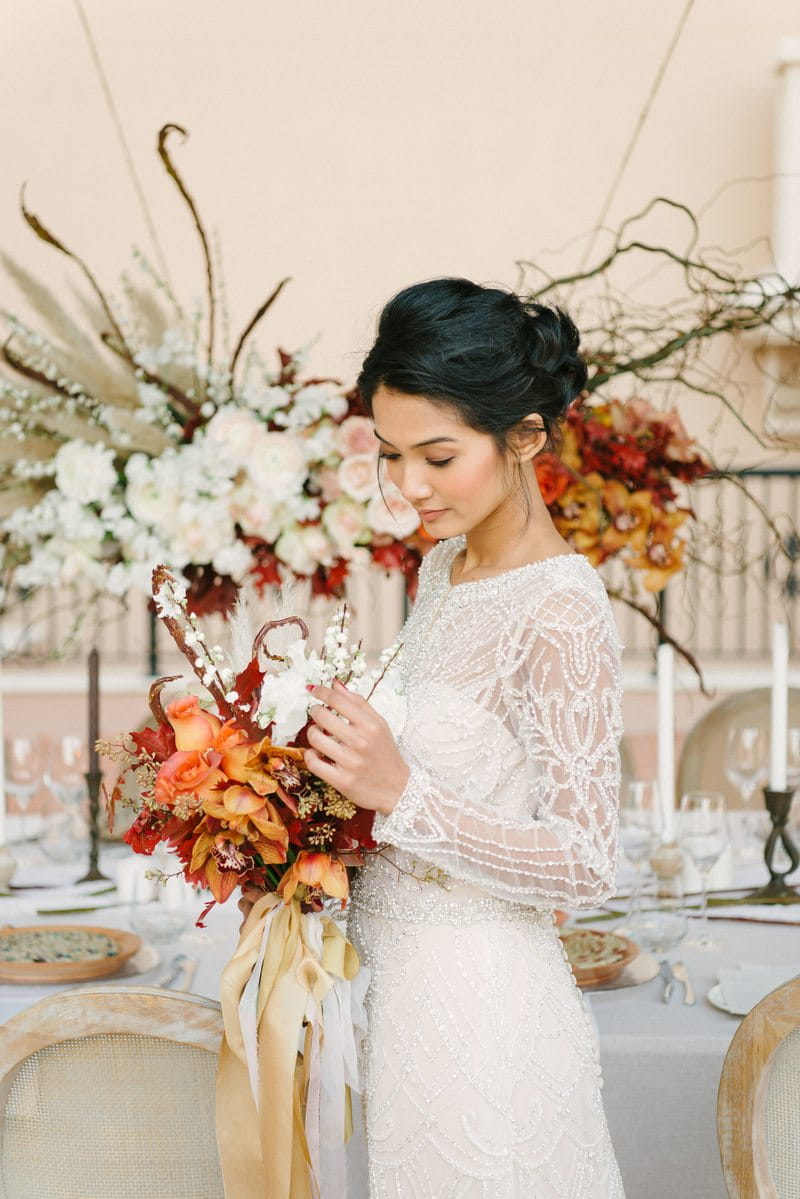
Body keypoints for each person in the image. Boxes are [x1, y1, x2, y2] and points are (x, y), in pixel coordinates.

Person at [299, 278, 625, 1197]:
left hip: (487, 1017)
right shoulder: (445, 566)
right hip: (402, 1002)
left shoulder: (562, 607)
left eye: (439, 456)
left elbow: (588, 860)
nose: (408, 486)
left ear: (524, 436)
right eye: (393, 453)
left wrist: (402, 794)